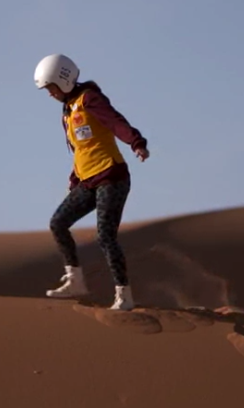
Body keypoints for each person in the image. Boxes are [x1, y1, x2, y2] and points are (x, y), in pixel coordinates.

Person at [33, 53, 150, 311]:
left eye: (50, 88)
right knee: (58, 223)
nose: (49, 94)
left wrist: (136, 142)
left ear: (62, 81)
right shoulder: (68, 110)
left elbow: (115, 121)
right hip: (86, 181)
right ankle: (75, 281)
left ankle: (124, 296)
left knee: (105, 236)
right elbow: (82, 147)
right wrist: (74, 177)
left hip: (112, 177)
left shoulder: (89, 99)